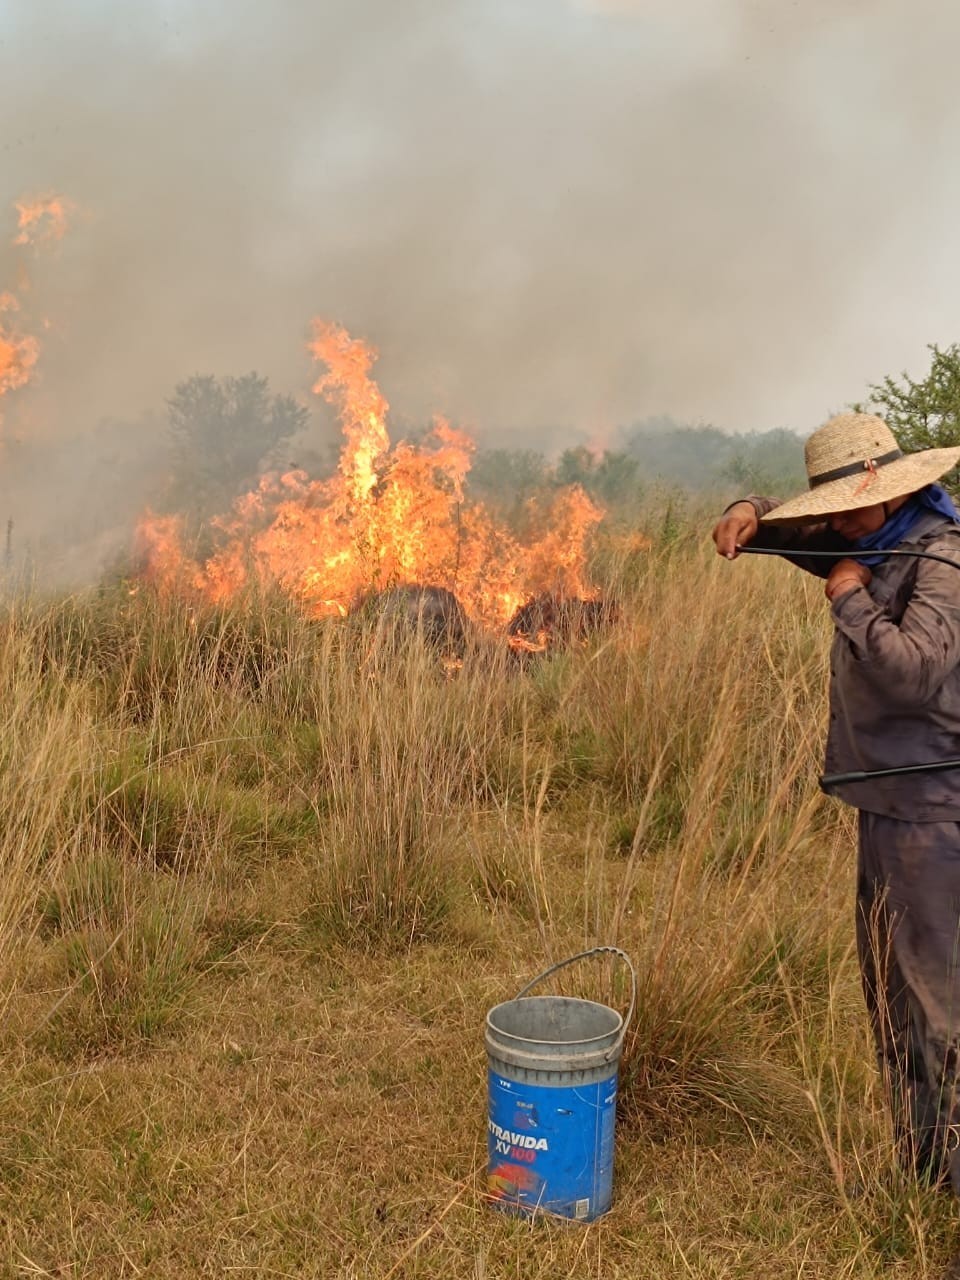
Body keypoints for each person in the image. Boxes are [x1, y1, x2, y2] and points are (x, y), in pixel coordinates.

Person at [712, 411, 960, 1193]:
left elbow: (914, 673)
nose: (835, 527)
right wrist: (749, 510)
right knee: (892, 996)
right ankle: (926, 1173)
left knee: (942, 1006)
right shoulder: (876, 537)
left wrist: (850, 600)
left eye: (847, 508)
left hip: (934, 809)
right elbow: (796, 541)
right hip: (887, 804)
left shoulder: (941, 556)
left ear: (885, 491)